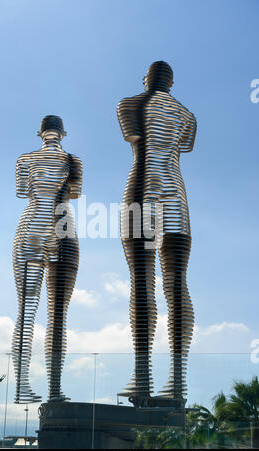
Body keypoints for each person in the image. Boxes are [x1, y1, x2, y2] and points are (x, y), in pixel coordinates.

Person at [117, 61, 197, 404]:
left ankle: (142, 376)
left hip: (142, 188)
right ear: (172, 82)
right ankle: (177, 380)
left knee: (141, 280)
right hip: (176, 194)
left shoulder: (129, 104)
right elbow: (187, 147)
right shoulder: (188, 116)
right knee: (176, 282)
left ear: (146, 79)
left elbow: (133, 135)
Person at [12, 115, 82, 403]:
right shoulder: (73, 161)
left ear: (39, 133)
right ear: (63, 133)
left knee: (26, 310)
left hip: (29, 226)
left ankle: (22, 386)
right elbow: (74, 194)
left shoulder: (24, 160)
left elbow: (21, 193)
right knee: (58, 314)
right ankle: (55, 389)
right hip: (61, 226)